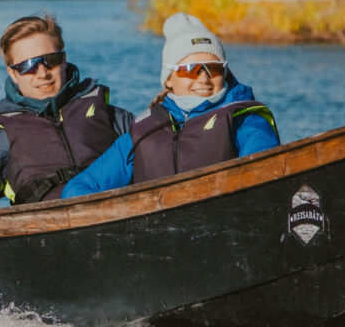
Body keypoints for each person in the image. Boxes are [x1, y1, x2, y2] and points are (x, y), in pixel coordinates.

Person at [58, 12, 278, 199]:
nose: (203, 79)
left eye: (214, 68)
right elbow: (78, 188)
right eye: (190, 70)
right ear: (169, 79)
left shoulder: (246, 120)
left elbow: (261, 178)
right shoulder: (144, 130)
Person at [0, 13, 134, 210]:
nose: (42, 73)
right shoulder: (0, 138)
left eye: (51, 60)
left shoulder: (108, 115)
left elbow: (154, 149)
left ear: (64, 59)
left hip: (118, 212)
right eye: (27, 66)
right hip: (47, 230)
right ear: (13, 74)